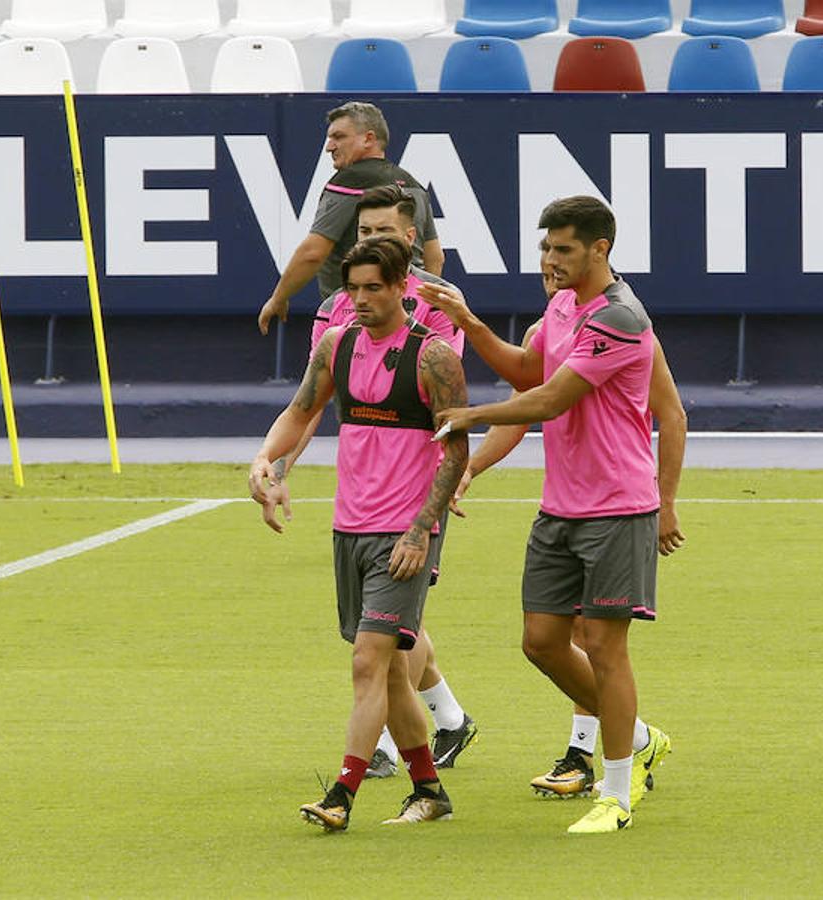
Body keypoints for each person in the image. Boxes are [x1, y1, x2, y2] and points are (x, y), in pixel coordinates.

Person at [427, 196, 674, 835]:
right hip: (560, 505)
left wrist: (471, 417)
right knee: (541, 642)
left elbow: (555, 398)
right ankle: (639, 736)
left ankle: (616, 794)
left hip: (618, 506)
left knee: (604, 647)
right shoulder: (561, 306)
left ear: (601, 248)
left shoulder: (620, 316)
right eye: (546, 248)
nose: (550, 260)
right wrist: (472, 324)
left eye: (563, 249)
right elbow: (527, 372)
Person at [249, 235, 469, 831]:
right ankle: (429, 791)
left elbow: (455, 453)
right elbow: (300, 412)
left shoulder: (433, 357)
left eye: (375, 287)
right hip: (350, 526)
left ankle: (341, 795)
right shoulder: (336, 345)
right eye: (354, 288)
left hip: (406, 531)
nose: (363, 299)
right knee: (393, 669)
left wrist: (424, 528)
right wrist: (266, 460)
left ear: (403, 287)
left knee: (368, 661)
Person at [256, 101, 443, 336]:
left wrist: (278, 298)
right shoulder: (414, 185)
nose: (329, 146)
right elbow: (435, 258)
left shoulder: (348, 182)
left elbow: (313, 253)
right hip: (408, 317)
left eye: (339, 137)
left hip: (357, 320)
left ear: (368, 139)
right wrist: (422, 306)